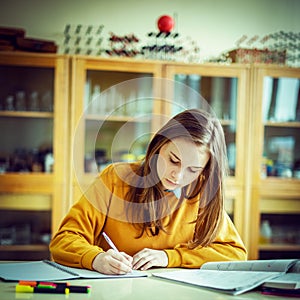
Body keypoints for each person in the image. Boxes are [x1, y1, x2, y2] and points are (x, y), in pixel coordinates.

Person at [50, 108, 247, 275]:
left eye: (193, 170)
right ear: (159, 145)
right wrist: (96, 258)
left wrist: (170, 257)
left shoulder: (202, 193)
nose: (177, 177)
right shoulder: (115, 178)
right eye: (173, 160)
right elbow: (63, 240)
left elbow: (234, 253)